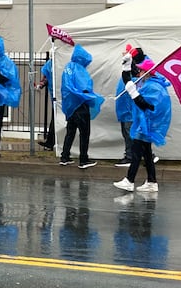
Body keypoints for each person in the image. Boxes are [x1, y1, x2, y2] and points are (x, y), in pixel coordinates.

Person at [113, 53, 172, 193]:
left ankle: (129, 180)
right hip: (146, 125)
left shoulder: (154, 87)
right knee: (146, 154)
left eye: (141, 70)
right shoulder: (150, 84)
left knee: (136, 153)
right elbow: (128, 80)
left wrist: (133, 92)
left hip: (147, 126)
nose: (138, 72)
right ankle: (152, 182)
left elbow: (146, 105)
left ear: (147, 72)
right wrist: (126, 66)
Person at [59, 44, 104, 169]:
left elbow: (67, 88)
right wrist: (90, 97)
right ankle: (83, 160)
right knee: (84, 133)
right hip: (80, 106)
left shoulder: (68, 68)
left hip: (70, 107)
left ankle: (65, 157)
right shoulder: (80, 70)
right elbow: (84, 88)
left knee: (70, 132)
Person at [36, 58, 55, 150]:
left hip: (61, 96)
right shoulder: (50, 64)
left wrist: (41, 84)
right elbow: (46, 77)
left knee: (56, 119)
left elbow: (46, 77)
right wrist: (40, 85)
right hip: (56, 97)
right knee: (55, 119)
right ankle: (50, 142)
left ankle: (50, 142)